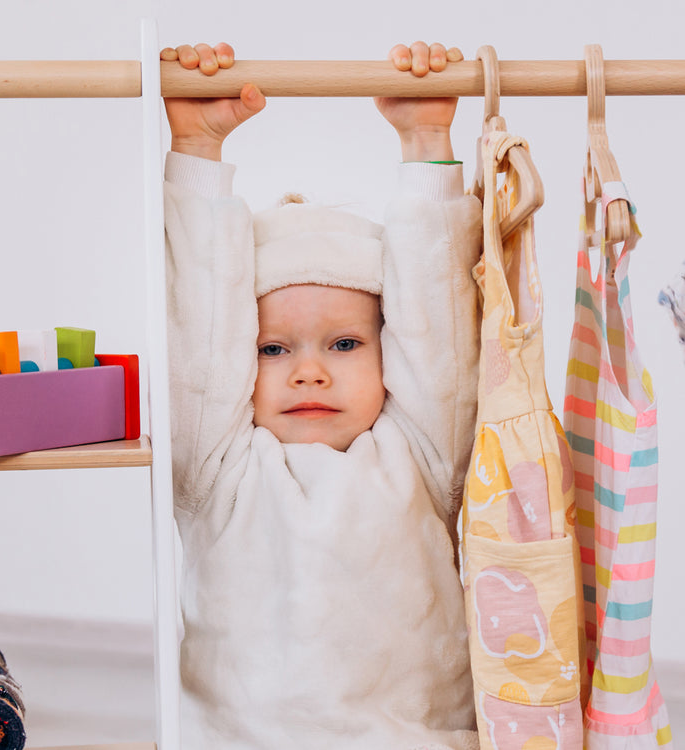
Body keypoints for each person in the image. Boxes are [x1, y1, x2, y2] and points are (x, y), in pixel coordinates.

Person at [161, 40, 482, 750]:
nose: (310, 373)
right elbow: (200, 328)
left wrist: (426, 138)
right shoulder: (218, 469)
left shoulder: (420, 455)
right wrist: (195, 148)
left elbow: (441, 327)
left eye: (344, 344)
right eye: (273, 350)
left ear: (389, 348)